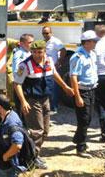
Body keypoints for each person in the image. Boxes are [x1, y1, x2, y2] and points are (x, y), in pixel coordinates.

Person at [14, 40, 73, 169]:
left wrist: (65, 87)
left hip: (45, 99)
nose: (37, 54)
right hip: (32, 100)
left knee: (45, 131)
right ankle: (30, 159)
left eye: (39, 52)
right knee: (37, 131)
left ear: (44, 51)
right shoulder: (24, 65)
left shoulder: (49, 61)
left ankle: (34, 154)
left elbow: (54, 74)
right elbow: (17, 84)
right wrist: (23, 101)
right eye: (34, 52)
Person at [69, 31, 99, 157]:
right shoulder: (77, 57)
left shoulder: (92, 54)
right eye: (93, 41)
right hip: (83, 91)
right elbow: (73, 77)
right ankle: (80, 146)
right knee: (84, 119)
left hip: (92, 89)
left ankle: (78, 139)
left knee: (88, 117)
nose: (95, 43)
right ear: (86, 42)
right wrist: (77, 96)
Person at [42, 26, 66, 115]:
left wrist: (59, 61)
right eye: (43, 33)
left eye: (47, 33)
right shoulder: (44, 42)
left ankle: (54, 107)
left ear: (51, 33)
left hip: (53, 69)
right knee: (48, 88)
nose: (45, 35)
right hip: (45, 69)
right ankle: (49, 106)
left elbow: (63, 50)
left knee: (54, 88)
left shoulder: (55, 41)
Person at [11, 34, 33, 108]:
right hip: (21, 84)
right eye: (30, 42)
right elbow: (17, 71)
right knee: (22, 109)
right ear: (22, 44)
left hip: (27, 83)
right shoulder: (19, 54)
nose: (32, 44)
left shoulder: (29, 53)